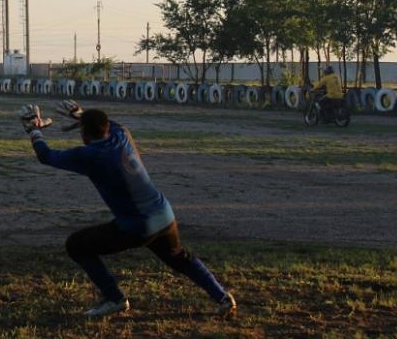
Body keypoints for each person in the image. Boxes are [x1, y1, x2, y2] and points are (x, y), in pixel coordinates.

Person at [17, 100, 236, 318]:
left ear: (84, 132)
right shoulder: (122, 135)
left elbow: (46, 156)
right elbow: (109, 123)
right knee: (180, 257)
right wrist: (81, 115)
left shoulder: (90, 156)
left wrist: (34, 131)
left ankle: (114, 298)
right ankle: (222, 296)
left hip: (137, 225)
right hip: (164, 215)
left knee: (76, 245)